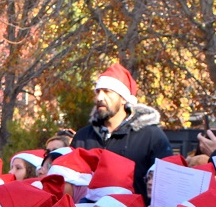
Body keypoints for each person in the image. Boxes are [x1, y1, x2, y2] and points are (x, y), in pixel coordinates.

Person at [71, 62, 172, 199]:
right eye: (98, 91)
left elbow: (165, 187)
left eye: (107, 92)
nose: (100, 97)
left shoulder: (152, 137)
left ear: (124, 98)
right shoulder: (82, 137)